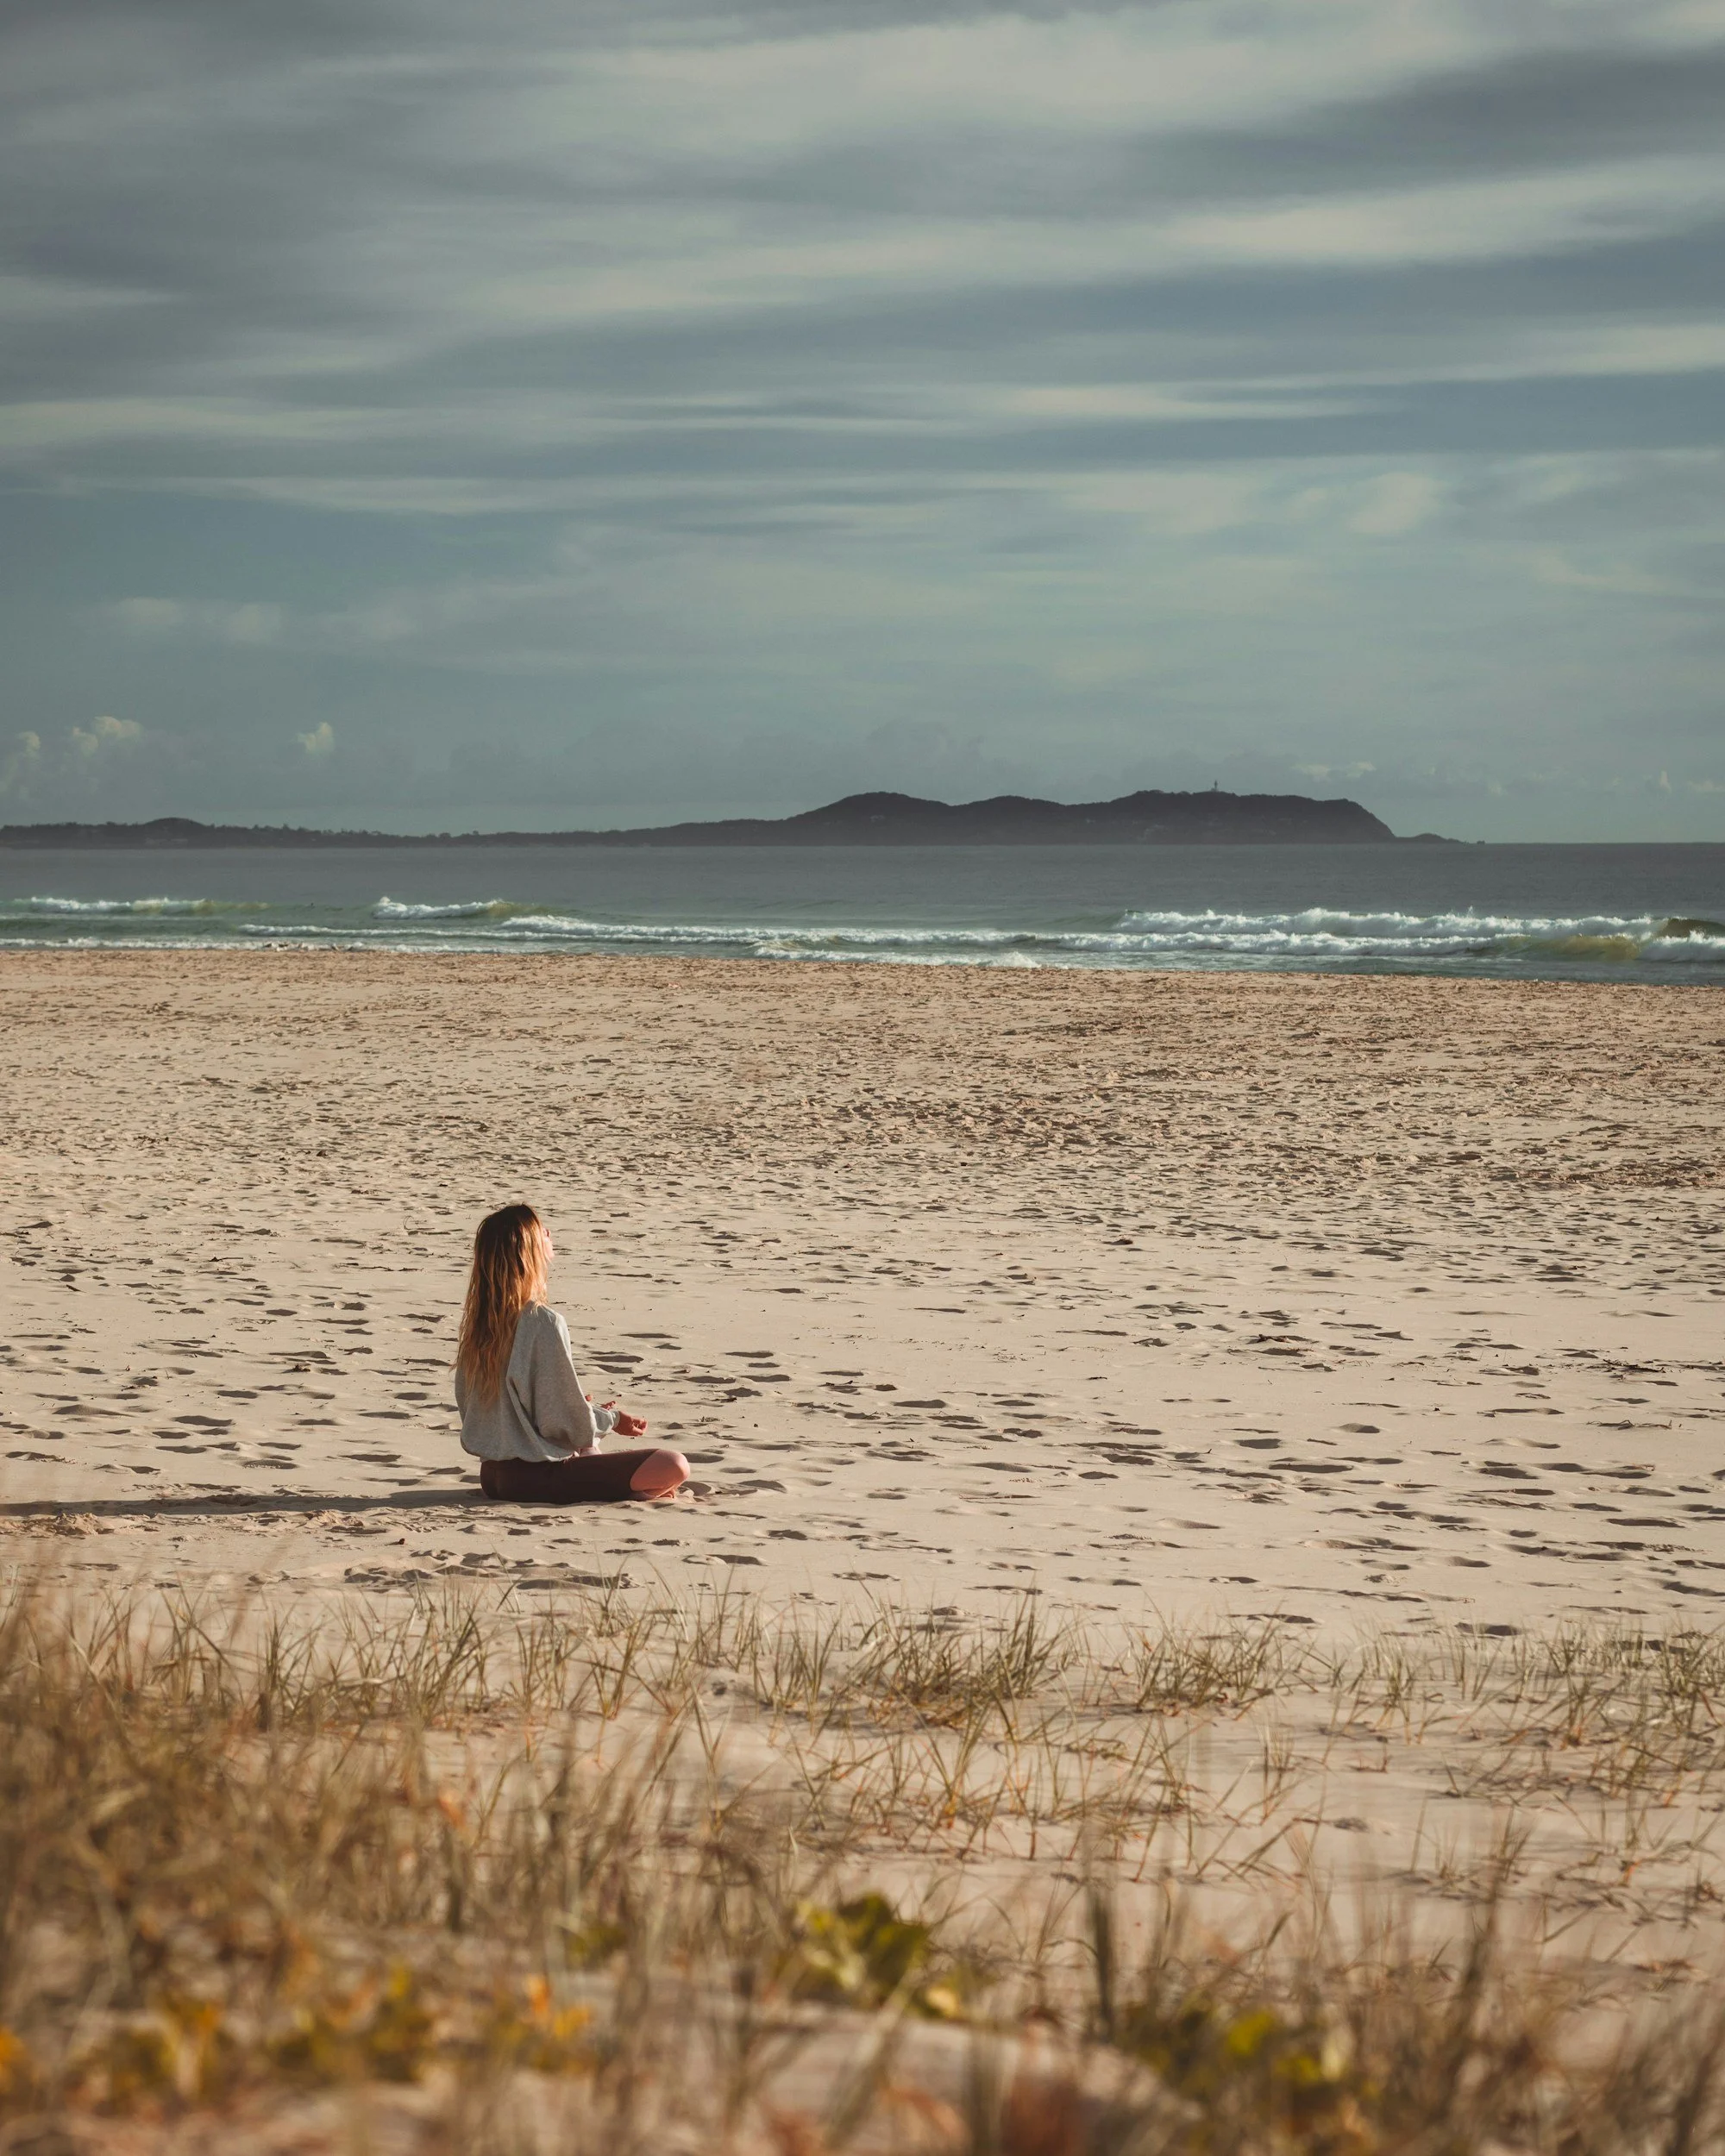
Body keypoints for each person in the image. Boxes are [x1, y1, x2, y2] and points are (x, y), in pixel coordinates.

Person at [455, 1203, 688, 1502]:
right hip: (538, 1477)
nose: (549, 1234)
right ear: (528, 1251)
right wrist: (611, 1419)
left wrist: (585, 1410)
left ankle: (632, 1491)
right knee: (673, 1464)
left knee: (591, 1449)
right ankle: (636, 1493)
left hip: (493, 1477)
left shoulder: (478, 1327)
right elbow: (565, 1424)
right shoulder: (542, 1321)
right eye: (542, 1232)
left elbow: (483, 1413)